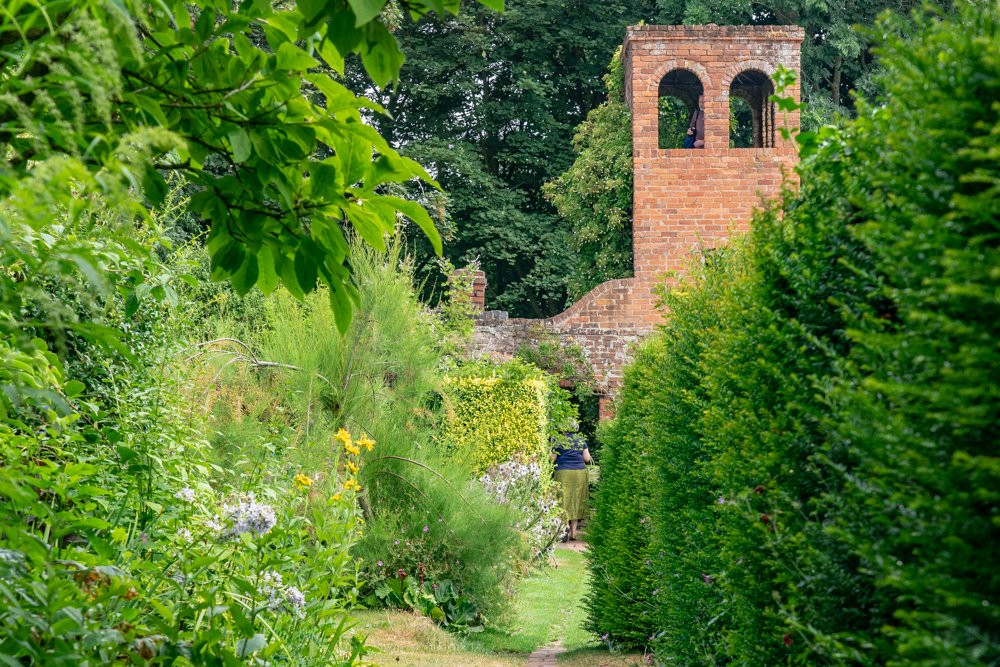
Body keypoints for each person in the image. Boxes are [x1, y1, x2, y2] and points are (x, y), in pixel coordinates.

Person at [550, 432, 592, 541]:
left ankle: (565, 527)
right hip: (579, 472)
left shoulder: (558, 439)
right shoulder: (581, 439)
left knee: (562, 499)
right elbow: (587, 458)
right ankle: (573, 533)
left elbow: (553, 458)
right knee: (577, 500)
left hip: (563, 472)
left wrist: (550, 450)